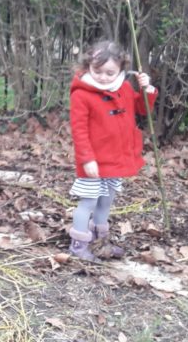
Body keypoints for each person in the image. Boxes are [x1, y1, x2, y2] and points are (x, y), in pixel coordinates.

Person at [67, 40, 157, 261]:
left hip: (114, 159)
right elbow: (79, 131)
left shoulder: (123, 87)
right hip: (93, 162)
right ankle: (79, 246)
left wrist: (147, 89)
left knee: (106, 200)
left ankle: (100, 242)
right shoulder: (81, 94)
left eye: (110, 72)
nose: (104, 77)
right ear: (88, 66)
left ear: (120, 70)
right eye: (98, 71)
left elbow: (142, 109)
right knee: (88, 201)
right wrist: (87, 159)